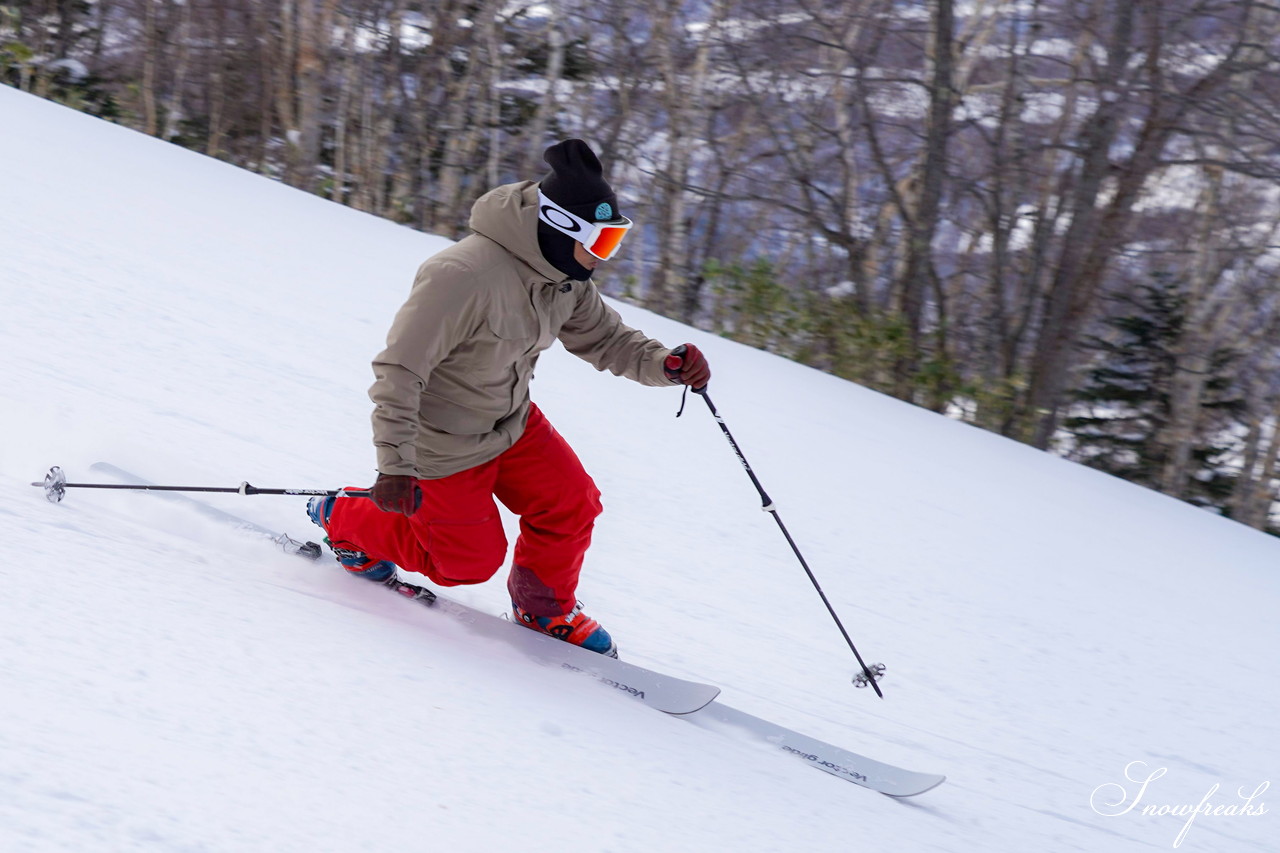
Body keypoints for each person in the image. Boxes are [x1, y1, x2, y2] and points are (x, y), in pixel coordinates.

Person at [307, 139, 710, 657]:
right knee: (464, 565)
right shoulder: (461, 276)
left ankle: (543, 608)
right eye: (602, 242)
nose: (603, 257)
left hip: (511, 422)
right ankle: (345, 518)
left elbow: (606, 338)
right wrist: (395, 466)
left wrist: (665, 365)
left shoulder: (562, 277)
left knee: (571, 502)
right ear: (560, 227)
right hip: (443, 444)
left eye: (614, 242)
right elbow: (398, 372)